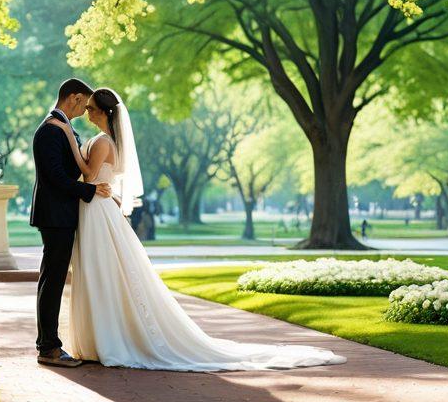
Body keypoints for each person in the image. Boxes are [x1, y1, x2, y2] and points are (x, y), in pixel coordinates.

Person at [48, 87, 345, 372]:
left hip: (97, 212)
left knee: (100, 271)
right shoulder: (109, 141)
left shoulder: (102, 142)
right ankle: (100, 338)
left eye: (91, 109)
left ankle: (106, 340)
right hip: (96, 207)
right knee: (99, 272)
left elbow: (88, 174)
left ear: (103, 112)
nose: (86, 113)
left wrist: (70, 142)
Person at [29, 78, 112, 368]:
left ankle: (48, 344)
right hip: (55, 215)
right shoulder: (51, 129)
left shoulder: (61, 126)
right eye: (84, 103)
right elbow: (55, 177)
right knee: (52, 280)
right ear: (74, 97)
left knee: (52, 279)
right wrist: (90, 190)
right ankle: (48, 347)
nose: (85, 109)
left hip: (62, 214)